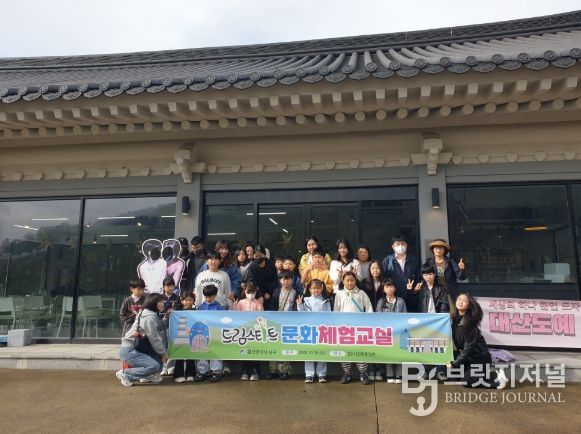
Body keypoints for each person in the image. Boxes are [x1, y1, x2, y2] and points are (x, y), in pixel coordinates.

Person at [447, 293, 508, 389]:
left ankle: (496, 377)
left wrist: (454, 363)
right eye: (459, 299)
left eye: (464, 300)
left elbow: (468, 348)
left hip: (479, 359)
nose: (460, 302)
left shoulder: (471, 323)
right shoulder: (454, 319)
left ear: (469, 305)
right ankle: (480, 374)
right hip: (468, 359)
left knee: (467, 381)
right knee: (455, 375)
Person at [117, 293, 168, 387]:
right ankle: (126, 374)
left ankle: (146, 376)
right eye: (160, 301)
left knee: (158, 364)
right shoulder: (150, 317)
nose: (163, 303)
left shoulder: (146, 312)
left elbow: (158, 327)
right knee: (154, 366)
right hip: (130, 350)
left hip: (138, 347)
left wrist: (166, 317)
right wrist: (163, 353)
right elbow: (154, 338)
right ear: (153, 303)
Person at [333, 271, 373, 385]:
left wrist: (368, 324)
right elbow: (336, 311)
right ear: (343, 281)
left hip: (360, 328)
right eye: (347, 281)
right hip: (344, 329)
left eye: (352, 280)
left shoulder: (361, 293)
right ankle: (347, 373)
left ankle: (363, 373)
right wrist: (337, 326)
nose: (350, 283)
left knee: (361, 350)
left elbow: (369, 309)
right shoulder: (339, 294)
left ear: (356, 281)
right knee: (345, 351)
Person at [297, 279, 331, 383]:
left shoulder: (326, 300)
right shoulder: (306, 300)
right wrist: (299, 304)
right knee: (309, 351)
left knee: (322, 351)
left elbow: (329, 314)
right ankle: (309, 374)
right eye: (313, 288)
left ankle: (322, 374)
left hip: (322, 329)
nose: (315, 290)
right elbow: (302, 313)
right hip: (309, 329)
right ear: (309, 289)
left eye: (317, 288)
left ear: (322, 288)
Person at [266, 271, 297, 380]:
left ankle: (285, 370)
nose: (285, 281)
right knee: (274, 345)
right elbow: (272, 306)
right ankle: (273, 370)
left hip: (289, 324)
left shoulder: (295, 292)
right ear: (279, 280)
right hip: (276, 322)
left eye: (288, 279)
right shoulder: (276, 291)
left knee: (287, 346)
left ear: (292, 280)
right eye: (283, 279)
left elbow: (296, 308)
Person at [376, 278, 407, 383]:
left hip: (399, 331)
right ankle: (390, 374)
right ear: (383, 289)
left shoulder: (401, 301)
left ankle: (399, 374)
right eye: (387, 287)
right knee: (388, 353)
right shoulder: (381, 301)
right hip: (386, 332)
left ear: (395, 288)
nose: (389, 289)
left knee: (399, 353)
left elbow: (405, 316)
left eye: (391, 286)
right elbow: (378, 317)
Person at [381, 234, 422, 312]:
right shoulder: (388, 260)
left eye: (403, 244)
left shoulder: (414, 260)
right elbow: (383, 278)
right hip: (394, 297)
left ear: (406, 245)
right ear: (393, 247)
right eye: (398, 244)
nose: (400, 246)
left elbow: (418, 277)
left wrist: (417, 287)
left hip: (411, 297)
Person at [232, 282, 263, 381]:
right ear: (245, 291)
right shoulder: (241, 302)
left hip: (254, 332)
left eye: (252, 292)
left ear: (255, 292)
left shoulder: (258, 303)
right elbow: (236, 316)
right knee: (244, 352)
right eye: (248, 292)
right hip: (244, 331)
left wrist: (261, 306)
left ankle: (254, 372)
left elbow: (262, 316)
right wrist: (234, 307)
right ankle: (244, 372)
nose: (250, 294)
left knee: (254, 352)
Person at [195, 285, 224, 382]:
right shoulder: (201, 307)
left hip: (215, 333)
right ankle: (202, 371)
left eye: (210, 296)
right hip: (202, 333)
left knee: (215, 351)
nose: (208, 298)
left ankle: (216, 371)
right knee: (202, 351)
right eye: (206, 296)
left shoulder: (218, 307)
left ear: (215, 295)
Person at [424, 239, 466, 305]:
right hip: (434, 292)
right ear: (433, 250)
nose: (439, 250)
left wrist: (462, 269)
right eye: (436, 248)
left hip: (449, 292)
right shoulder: (429, 262)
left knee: (451, 310)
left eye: (441, 248)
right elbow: (424, 275)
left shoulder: (450, 261)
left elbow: (460, 277)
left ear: (444, 250)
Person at [245, 245, 279, 311]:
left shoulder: (271, 265)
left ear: (264, 255)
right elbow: (251, 281)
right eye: (256, 256)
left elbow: (274, 281)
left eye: (260, 256)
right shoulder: (252, 267)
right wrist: (258, 294)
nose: (258, 258)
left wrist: (268, 292)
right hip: (257, 293)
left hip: (270, 293)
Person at [173, 290, 197, 383]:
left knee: (190, 354)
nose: (188, 302)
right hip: (180, 335)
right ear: (181, 300)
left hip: (191, 335)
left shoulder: (196, 311)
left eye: (190, 300)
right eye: (186, 300)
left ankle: (190, 374)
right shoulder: (177, 311)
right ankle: (178, 375)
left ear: (193, 300)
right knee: (179, 355)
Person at [160, 277, 180, 376]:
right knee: (163, 345)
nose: (171, 288)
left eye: (172, 286)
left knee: (172, 345)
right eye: (168, 286)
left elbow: (179, 311)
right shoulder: (160, 298)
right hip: (162, 325)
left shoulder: (177, 298)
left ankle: (171, 367)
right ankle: (163, 367)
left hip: (173, 325)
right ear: (164, 287)